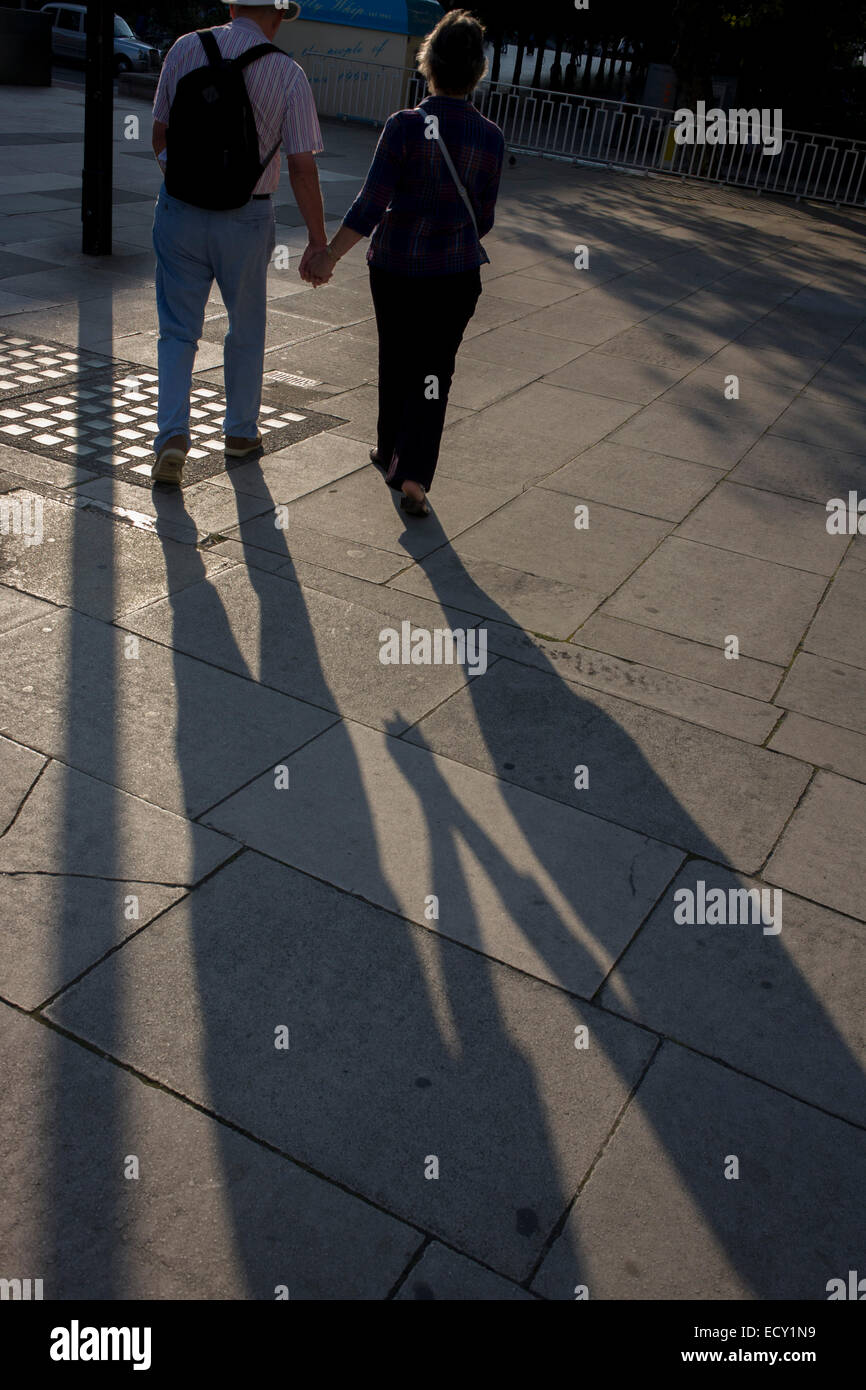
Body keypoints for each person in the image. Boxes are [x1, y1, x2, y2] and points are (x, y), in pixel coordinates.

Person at [307, 10, 504, 517]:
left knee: (395, 356)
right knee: (434, 369)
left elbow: (370, 205)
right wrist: (451, 236)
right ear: (477, 71)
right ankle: (413, 475)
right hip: (456, 275)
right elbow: (483, 217)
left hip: (395, 269)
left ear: (428, 64)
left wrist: (328, 255)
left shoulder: (403, 127)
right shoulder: (490, 137)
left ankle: (387, 447)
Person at [150, 1, 326, 485]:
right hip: (248, 216)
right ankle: (240, 433)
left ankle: (171, 437)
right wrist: (316, 240)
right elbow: (301, 168)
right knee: (245, 326)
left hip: (180, 211)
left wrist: (184, 188)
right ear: (279, 16)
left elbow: (159, 136)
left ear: (232, 5)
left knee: (177, 330)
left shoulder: (186, 48)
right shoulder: (289, 74)